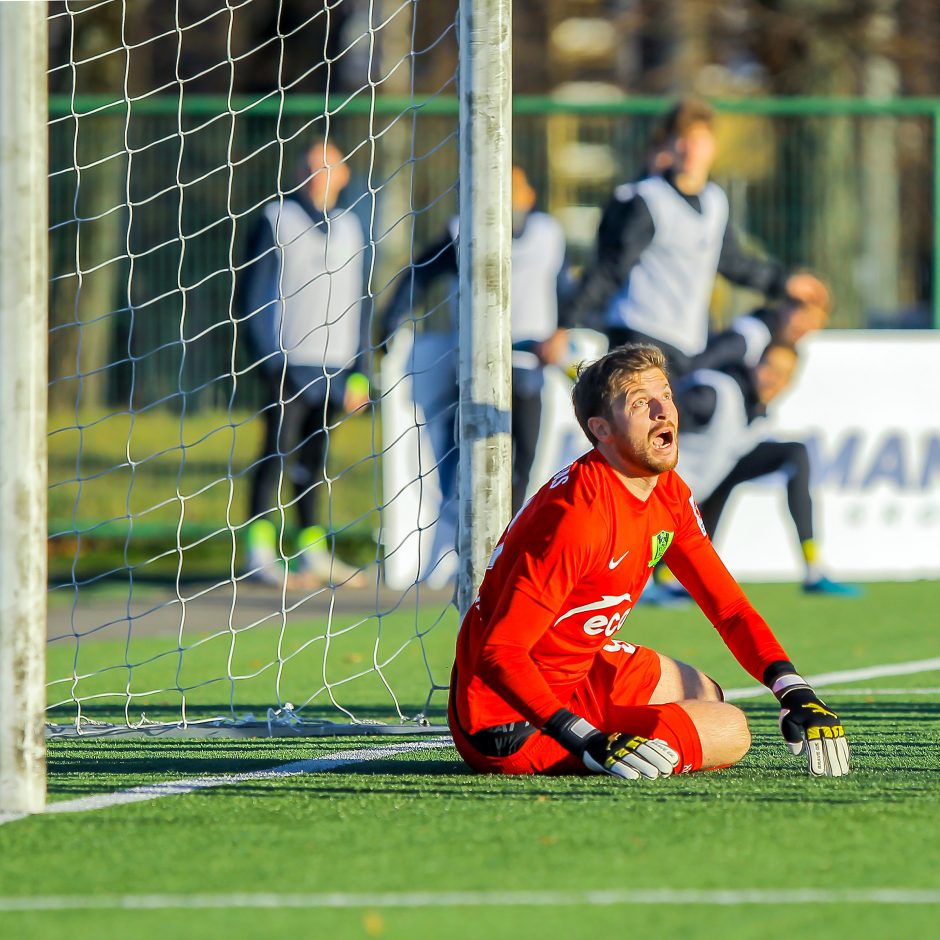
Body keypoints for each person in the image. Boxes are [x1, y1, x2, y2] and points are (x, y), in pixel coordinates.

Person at [449, 344, 850, 781]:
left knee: (707, 693)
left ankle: (618, 733)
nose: (664, 411)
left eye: (666, 395)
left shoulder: (668, 490)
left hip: (579, 668)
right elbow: (500, 654)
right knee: (732, 731)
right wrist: (585, 738)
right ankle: (603, 746)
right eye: (641, 403)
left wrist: (793, 688)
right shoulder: (578, 518)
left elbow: (728, 608)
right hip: (507, 719)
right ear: (601, 429)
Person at [568, 97, 829, 377]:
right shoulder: (646, 200)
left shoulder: (715, 201)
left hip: (686, 344)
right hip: (639, 334)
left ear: (713, 147)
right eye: (682, 139)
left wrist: (784, 282)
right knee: (637, 418)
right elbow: (610, 268)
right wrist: (567, 322)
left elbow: (731, 260)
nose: (691, 149)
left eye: (699, 140)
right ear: (669, 145)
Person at [381, 165, 575, 514]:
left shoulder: (549, 234)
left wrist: (565, 331)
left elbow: (568, 292)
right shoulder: (463, 230)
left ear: (529, 195)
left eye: (516, 187)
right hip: (476, 366)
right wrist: (393, 321)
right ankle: (461, 535)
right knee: (470, 454)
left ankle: (507, 539)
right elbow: (419, 275)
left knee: (525, 456)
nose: (509, 195)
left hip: (530, 364)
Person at [239, 137, 370, 588]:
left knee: (315, 460)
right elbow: (251, 294)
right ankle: (258, 549)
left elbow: (361, 303)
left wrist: (361, 372)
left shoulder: (353, 227)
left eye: (329, 167)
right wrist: (265, 358)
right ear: (301, 173)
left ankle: (312, 549)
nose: (320, 176)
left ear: (344, 175)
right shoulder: (277, 218)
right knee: (276, 450)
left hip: (335, 365)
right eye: (313, 166)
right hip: (287, 361)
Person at [675, 342, 860, 596]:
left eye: (785, 376)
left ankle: (813, 566)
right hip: (647, 502)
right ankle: (665, 578)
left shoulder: (757, 414)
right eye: (770, 368)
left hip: (683, 509)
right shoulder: (715, 394)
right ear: (754, 366)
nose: (775, 380)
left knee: (795, 453)